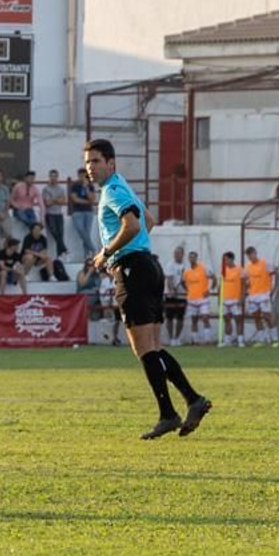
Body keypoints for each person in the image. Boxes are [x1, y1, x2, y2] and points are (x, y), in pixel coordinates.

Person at [84, 138, 211, 439]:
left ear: (111, 163)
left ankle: (169, 413)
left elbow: (134, 225)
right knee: (153, 347)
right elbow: (149, 220)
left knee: (143, 349)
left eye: (96, 161)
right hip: (147, 266)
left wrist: (107, 253)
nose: (90, 168)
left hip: (132, 270)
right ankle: (193, 399)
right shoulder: (122, 185)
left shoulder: (113, 190)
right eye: (88, 162)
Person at [241, 246, 279, 346]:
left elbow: (277, 272)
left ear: (255, 253)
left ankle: (275, 339)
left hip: (264, 294)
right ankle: (261, 340)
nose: (250, 256)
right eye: (248, 255)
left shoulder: (265, 264)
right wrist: (244, 294)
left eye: (252, 254)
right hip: (252, 295)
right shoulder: (248, 267)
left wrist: (274, 288)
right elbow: (245, 281)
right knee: (256, 317)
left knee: (267, 316)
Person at [182, 250, 214, 346]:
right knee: (194, 319)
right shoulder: (187, 271)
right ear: (188, 259)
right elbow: (183, 282)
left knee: (205, 318)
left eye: (194, 257)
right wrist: (188, 290)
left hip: (203, 298)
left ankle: (207, 340)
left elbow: (214, 278)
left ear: (196, 258)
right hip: (192, 298)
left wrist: (209, 289)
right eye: (190, 257)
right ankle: (195, 340)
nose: (192, 259)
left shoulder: (203, 268)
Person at [68, 168, 97, 256]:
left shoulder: (90, 186)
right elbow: (75, 199)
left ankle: (86, 255)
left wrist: (86, 188)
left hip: (88, 211)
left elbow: (92, 198)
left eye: (83, 175)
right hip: (77, 211)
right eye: (80, 175)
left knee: (87, 233)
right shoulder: (74, 185)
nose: (82, 177)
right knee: (81, 230)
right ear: (78, 175)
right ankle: (93, 249)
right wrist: (88, 202)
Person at [163, 245, 188, 346]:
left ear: (182, 254)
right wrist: (173, 290)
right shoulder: (170, 265)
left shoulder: (186, 266)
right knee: (169, 318)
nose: (176, 255)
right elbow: (169, 279)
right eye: (175, 253)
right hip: (171, 296)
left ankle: (177, 337)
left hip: (182, 296)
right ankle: (171, 338)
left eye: (178, 253)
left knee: (180, 318)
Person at [10, 170, 45, 238]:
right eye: (30, 178)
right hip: (18, 210)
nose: (32, 180)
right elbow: (11, 200)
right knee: (25, 218)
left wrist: (42, 219)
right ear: (25, 178)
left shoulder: (35, 189)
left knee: (34, 220)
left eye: (33, 178)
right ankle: (36, 229)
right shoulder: (18, 186)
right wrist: (18, 207)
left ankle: (35, 231)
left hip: (29, 210)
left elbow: (41, 204)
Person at [43, 169, 70, 256]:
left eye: (55, 176)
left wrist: (53, 199)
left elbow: (64, 202)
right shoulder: (46, 189)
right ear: (49, 177)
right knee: (54, 232)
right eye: (52, 176)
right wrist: (57, 199)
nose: (53, 178)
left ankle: (60, 253)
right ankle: (63, 248)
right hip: (50, 214)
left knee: (60, 233)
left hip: (59, 214)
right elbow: (47, 203)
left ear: (57, 177)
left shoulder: (61, 189)